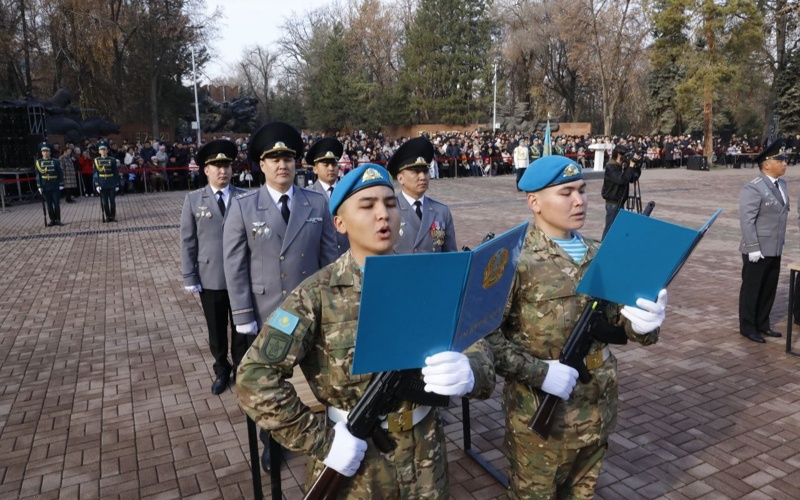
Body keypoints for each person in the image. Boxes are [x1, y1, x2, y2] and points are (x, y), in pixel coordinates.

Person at [236, 163, 495, 497]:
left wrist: (471, 370)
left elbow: (477, 340)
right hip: (357, 462)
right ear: (339, 223)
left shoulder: (429, 279)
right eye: (367, 205)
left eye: (389, 204)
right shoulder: (316, 294)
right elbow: (254, 376)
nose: (382, 214)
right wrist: (321, 440)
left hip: (426, 456)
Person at [485, 155, 668, 499]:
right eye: (566, 192)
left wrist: (645, 321)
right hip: (541, 418)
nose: (580, 200)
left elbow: (621, 324)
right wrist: (538, 371)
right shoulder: (514, 260)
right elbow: (485, 338)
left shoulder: (601, 253)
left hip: (596, 409)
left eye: (582, 191)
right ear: (534, 201)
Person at [223, 121, 338, 471]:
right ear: (261, 165)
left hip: (312, 310)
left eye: (287, 157)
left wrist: (333, 304)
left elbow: (330, 258)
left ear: (296, 162)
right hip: (268, 310)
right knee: (272, 383)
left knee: (321, 378)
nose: (282, 164)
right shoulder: (244, 206)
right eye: (273, 158)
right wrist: (243, 315)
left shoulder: (316, 202)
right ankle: (271, 441)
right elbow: (234, 265)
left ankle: (327, 435)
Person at [181, 140, 248, 395]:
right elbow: (188, 241)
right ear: (205, 170)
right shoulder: (194, 200)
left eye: (227, 166)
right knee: (217, 329)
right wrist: (190, 275)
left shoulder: (246, 197)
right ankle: (222, 369)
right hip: (211, 277)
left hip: (242, 276)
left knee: (242, 327)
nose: (223, 171)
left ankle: (242, 368)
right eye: (216, 166)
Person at [739, 139, 789, 343]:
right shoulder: (754, 188)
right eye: (781, 160)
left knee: (769, 287)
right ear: (767, 164)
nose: (785, 163)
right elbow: (747, 219)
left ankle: (762, 323)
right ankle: (748, 326)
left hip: (774, 247)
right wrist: (752, 247)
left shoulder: (782, 184)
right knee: (752, 288)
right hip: (757, 249)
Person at [388, 137, 457, 253]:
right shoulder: (389, 210)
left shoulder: (441, 211)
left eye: (425, 171)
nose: (422, 177)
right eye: (415, 172)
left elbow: (450, 254)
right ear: (400, 178)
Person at [307, 136, 350, 256]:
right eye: (326, 164)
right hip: (320, 262)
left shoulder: (349, 193)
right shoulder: (307, 196)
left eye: (334, 164)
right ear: (315, 169)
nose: (331, 168)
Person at [600, 145, 639, 239]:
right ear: (618, 155)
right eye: (624, 155)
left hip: (620, 202)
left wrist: (635, 166)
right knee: (610, 229)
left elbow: (631, 179)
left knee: (619, 228)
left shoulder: (620, 166)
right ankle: (603, 248)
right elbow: (623, 180)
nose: (626, 157)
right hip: (613, 203)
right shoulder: (611, 167)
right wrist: (630, 166)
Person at [34, 142, 64, 227]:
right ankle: (52, 220)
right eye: (43, 151)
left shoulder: (56, 161)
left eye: (47, 151)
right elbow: (38, 175)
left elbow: (60, 173)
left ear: (50, 152)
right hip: (45, 185)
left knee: (56, 203)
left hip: (54, 184)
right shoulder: (38, 162)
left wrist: (61, 184)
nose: (45, 153)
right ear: (41, 152)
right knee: (49, 204)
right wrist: (39, 185)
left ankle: (58, 219)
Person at [93, 142, 120, 222]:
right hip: (102, 183)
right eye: (101, 150)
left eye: (104, 150)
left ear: (107, 151)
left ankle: (113, 216)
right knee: (104, 202)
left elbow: (115, 172)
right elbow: (95, 173)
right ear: (99, 151)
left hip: (111, 182)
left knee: (112, 201)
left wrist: (117, 184)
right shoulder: (96, 160)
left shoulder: (112, 160)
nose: (103, 151)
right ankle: (107, 216)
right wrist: (97, 184)